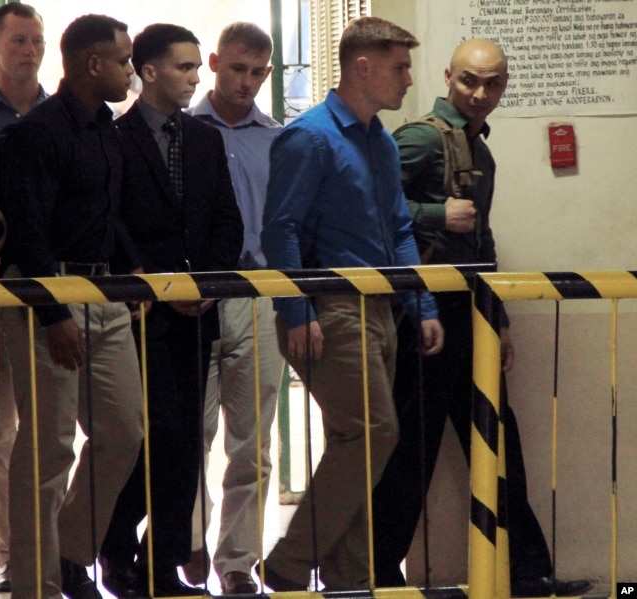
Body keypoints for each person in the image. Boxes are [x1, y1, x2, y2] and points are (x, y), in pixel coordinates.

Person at [371, 38, 592, 598]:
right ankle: (374, 576)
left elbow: (482, 241)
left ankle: (527, 573)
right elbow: (368, 209)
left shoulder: (479, 149)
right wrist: (434, 211)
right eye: (470, 80)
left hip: (468, 314)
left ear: (505, 84)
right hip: (423, 315)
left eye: (492, 83)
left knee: (497, 445)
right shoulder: (421, 137)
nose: (479, 93)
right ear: (448, 77)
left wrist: (499, 319)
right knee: (410, 453)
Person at [258, 16, 444, 593]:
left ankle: (348, 580)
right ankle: (289, 564)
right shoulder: (310, 136)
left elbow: (398, 228)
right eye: (400, 66)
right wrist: (296, 312)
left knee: (362, 445)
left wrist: (423, 306)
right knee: (372, 434)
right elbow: (279, 231)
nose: (409, 79)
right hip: (331, 307)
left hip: (381, 308)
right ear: (362, 67)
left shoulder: (381, 141)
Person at [0, 14, 144, 599]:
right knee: (50, 444)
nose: (130, 71)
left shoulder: (107, 128)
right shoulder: (35, 134)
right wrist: (52, 314)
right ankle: (37, 583)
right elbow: (28, 230)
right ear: (92, 64)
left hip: (103, 296)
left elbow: (108, 215)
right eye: (124, 61)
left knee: (124, 432)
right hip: (46, 297)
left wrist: (134, 274)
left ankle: (69, 553)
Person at [97, 23, 243, 598]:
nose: (196, 77)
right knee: (147, 436)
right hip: (139, 317)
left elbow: (226, 221)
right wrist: (159, 287)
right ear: (149, 71)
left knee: (185, 445)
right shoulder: (117, 138)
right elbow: (114, 224)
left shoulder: (204, 139)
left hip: (198, 314)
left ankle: (163, 566)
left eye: (195, 67)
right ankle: (114, 549)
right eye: (185, 67)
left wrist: (207, 282)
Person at [185, 22, 284, 595]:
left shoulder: (275, 139)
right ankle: (189, 541)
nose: (244, 82)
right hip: (195, 300)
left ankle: (237, 561)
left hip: (259, 296)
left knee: (253, 442)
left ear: (267, 75)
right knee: (189, 435)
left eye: (256, 73)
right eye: (236, 69)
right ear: (216, 62)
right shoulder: (179, 131)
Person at [0, 4, 48, 593]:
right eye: (17, 39)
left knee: (45, 436)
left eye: (36, 40)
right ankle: (13, 555)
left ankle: (39, 554)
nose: (28, 50)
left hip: (48, 287)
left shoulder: (59, 115)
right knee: (1, 431)